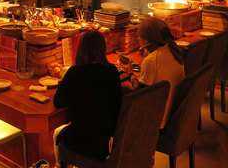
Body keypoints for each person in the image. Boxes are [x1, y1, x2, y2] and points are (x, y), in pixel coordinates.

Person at [53, 31, 122, 167]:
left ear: (81, 49)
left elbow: (57, 102)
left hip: (82, 143)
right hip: (105, 141)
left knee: (57, 133)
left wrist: (65, 85)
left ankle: (60, 165)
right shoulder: (112, 71)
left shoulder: (75, 72)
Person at [137, 17, 185, 128]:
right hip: (173, 115)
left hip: (158, 120)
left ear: (146, 40)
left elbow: (140, 96)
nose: (138, 38)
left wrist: (129, 79)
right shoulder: (173, 51)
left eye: (139, 35)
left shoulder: (151, 61)